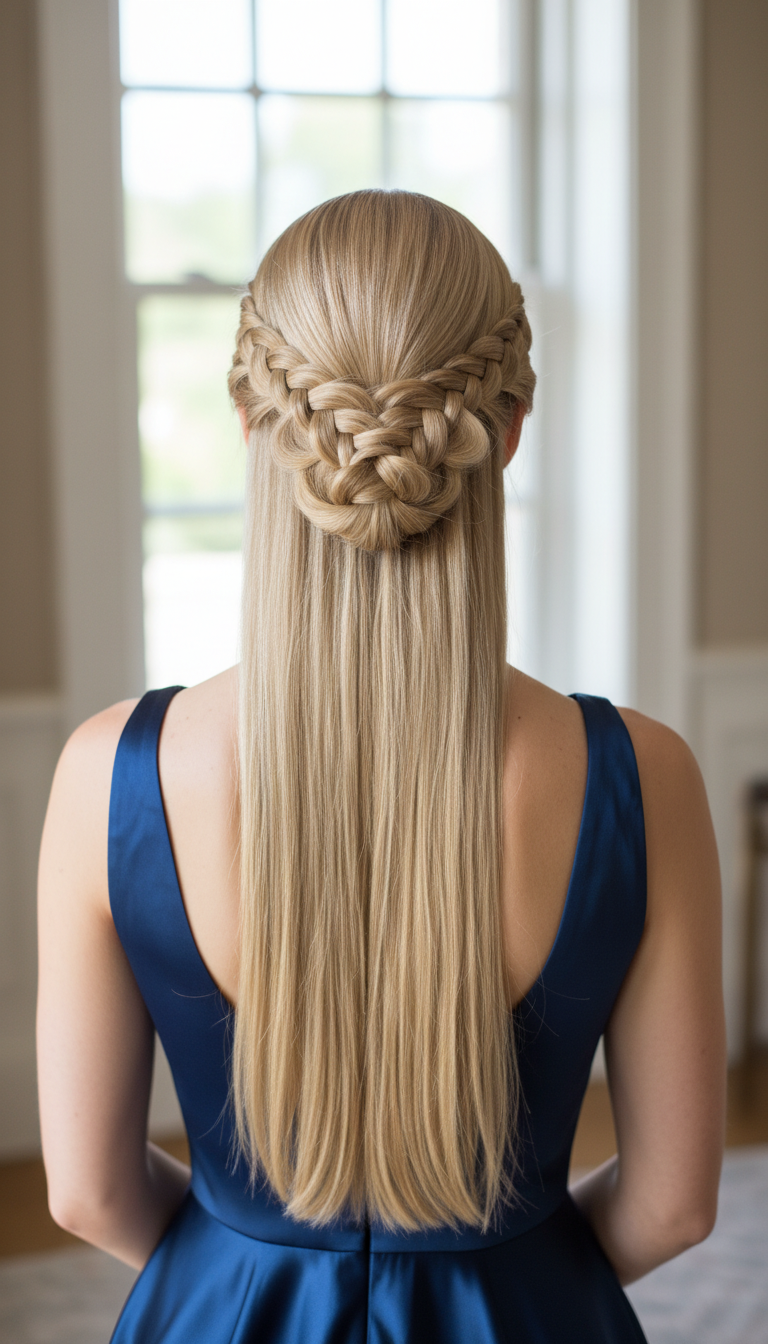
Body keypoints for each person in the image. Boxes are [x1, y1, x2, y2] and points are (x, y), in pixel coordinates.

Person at [37, 190, 726, 1343]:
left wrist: (243, 1263)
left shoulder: (111, 774)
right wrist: (520, 1280)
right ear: (511, 427)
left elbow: (88, 1191)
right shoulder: (642, 778)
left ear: (250, 423)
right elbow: (674, 1205)